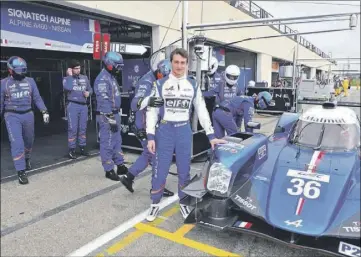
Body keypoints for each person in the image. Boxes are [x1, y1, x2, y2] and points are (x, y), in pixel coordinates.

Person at [145, 48, 226, 221]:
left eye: (183, 63)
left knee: (184, 171)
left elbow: (202, 111)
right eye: (176, 62)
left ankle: (184, 202)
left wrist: (211, 135)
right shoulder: (160, 84)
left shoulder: (192, 84)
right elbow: (151, 111)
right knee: (160, 170)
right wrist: (150, 136)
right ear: (171, 63)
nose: (179, 66)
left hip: (184, 130)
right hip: (165, 130)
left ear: (187, 64)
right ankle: (154, 203)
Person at [120, 59, 174, 197]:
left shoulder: (160, 81)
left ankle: (128, 177)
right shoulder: (147, 82)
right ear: (158, 72)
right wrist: (148, 100)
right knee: (157, 156)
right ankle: (157, 188)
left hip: (151, 124)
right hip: (142, 125)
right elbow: (134, 104)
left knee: (148, 154)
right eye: (164, 76)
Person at [0, 56, 49, 184]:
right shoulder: (3, 83)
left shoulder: (30, 81)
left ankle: (27, 158)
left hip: (28, 114)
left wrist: (44, 111)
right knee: (17, 143)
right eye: (18, 70)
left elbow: (37, 98)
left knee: (29, 141)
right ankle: (21, 171)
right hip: (11, 115)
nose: (21, 73)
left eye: (23, 70)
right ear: (10, 70)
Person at [94, 52, 128, 181]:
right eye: (117, 67)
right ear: (109, 64)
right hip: (106, 115)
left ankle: (120, 164)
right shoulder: (102, 79)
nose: (119, 70)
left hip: (114, 113)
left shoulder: (111, 77)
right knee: (107, 142)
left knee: (117, 140)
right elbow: (103, 101)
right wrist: (110, 117)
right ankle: (108, 169)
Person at [63, 60, 93, 159]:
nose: (78, 70)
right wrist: (70, 76)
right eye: (76, 68)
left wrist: (89, 93)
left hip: (83, 106)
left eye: (79, 68)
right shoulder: (67, 79)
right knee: (73, 128)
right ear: (71, 69)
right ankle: (72, 149)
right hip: (73, 105)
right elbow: (68, 87)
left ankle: (82, 147)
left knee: (83, 128)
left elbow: (90, 89)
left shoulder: (85, 78)